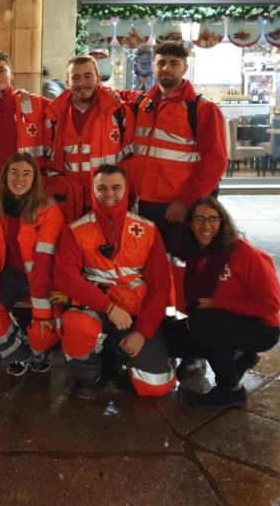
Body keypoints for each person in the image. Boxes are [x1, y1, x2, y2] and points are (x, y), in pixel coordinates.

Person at [118, 41, 228, 378]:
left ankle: (196, 349)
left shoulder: (201, 109)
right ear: (154, 66)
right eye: (162, 62)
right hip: (146, 207)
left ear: (185, 67)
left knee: (189, 280)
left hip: (179, 209)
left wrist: (187, 201)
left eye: (173, 63)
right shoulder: (145, 102)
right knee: (151, 278)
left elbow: (215, 160)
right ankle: (159, 338)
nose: (166, 69)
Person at [55, 164, 176, 399]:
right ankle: (89, 374)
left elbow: (161, 286)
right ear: (93, 190)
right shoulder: (75, 230)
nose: (109, 194)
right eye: (102, 188)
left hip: (135, 314)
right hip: (96, 308)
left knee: (157, 386)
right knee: (77, 326)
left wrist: (142, 332)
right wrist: (108, 307)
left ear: (126, 189)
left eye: (115, 187)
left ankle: (116, 357)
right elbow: (64, 276)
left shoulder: (148, 229)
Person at [163, 198, 280, 407]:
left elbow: (270, 304)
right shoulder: (196, 255)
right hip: (221, 320)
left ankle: (231, 390)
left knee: (204, 321)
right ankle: (241, 356)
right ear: (190, 224)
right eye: (199, 219)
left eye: (212, 219)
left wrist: (216, 303)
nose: (205, 226)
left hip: (261, 328)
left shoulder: (246, 254)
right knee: (170, 337)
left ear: (223, 223)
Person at [0, 153, 63, 376]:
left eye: (26, 173)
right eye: (13, 172)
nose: (19, 179)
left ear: (35, 179)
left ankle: (39, 351)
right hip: (10, 275)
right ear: (5, 176)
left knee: (43, 329)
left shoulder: (48, 210)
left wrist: (43, 314)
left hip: (41, 278)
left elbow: (43, 263)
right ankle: (18, 354)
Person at [45, 55, 133, 216]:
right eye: (75, 78)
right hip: (69, 201)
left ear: (98, 79)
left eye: (88, 76)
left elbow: (131, 160)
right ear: (67, 83)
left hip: (107, 199)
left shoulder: (118, 111)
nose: (82, 83)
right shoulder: (54, 115)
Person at [0, 51, 52, 188]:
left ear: (12, 75)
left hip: (29, 187)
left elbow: (67, 108)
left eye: (1, 70)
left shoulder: (33, 102)